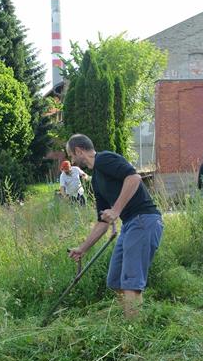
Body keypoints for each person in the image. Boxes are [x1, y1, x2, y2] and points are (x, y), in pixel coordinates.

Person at [66, 134, 163, 319]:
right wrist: (83, 248)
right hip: (130, 225)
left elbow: (134, 178)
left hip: (143, 220)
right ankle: (131, 318)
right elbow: (103, 221)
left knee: (130, 283)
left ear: (79, 151)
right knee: (116, 280)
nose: (72, 160)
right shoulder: (96, 179)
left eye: (71, 155)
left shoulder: (105, 159)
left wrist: (116, 209)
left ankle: (134, 332)